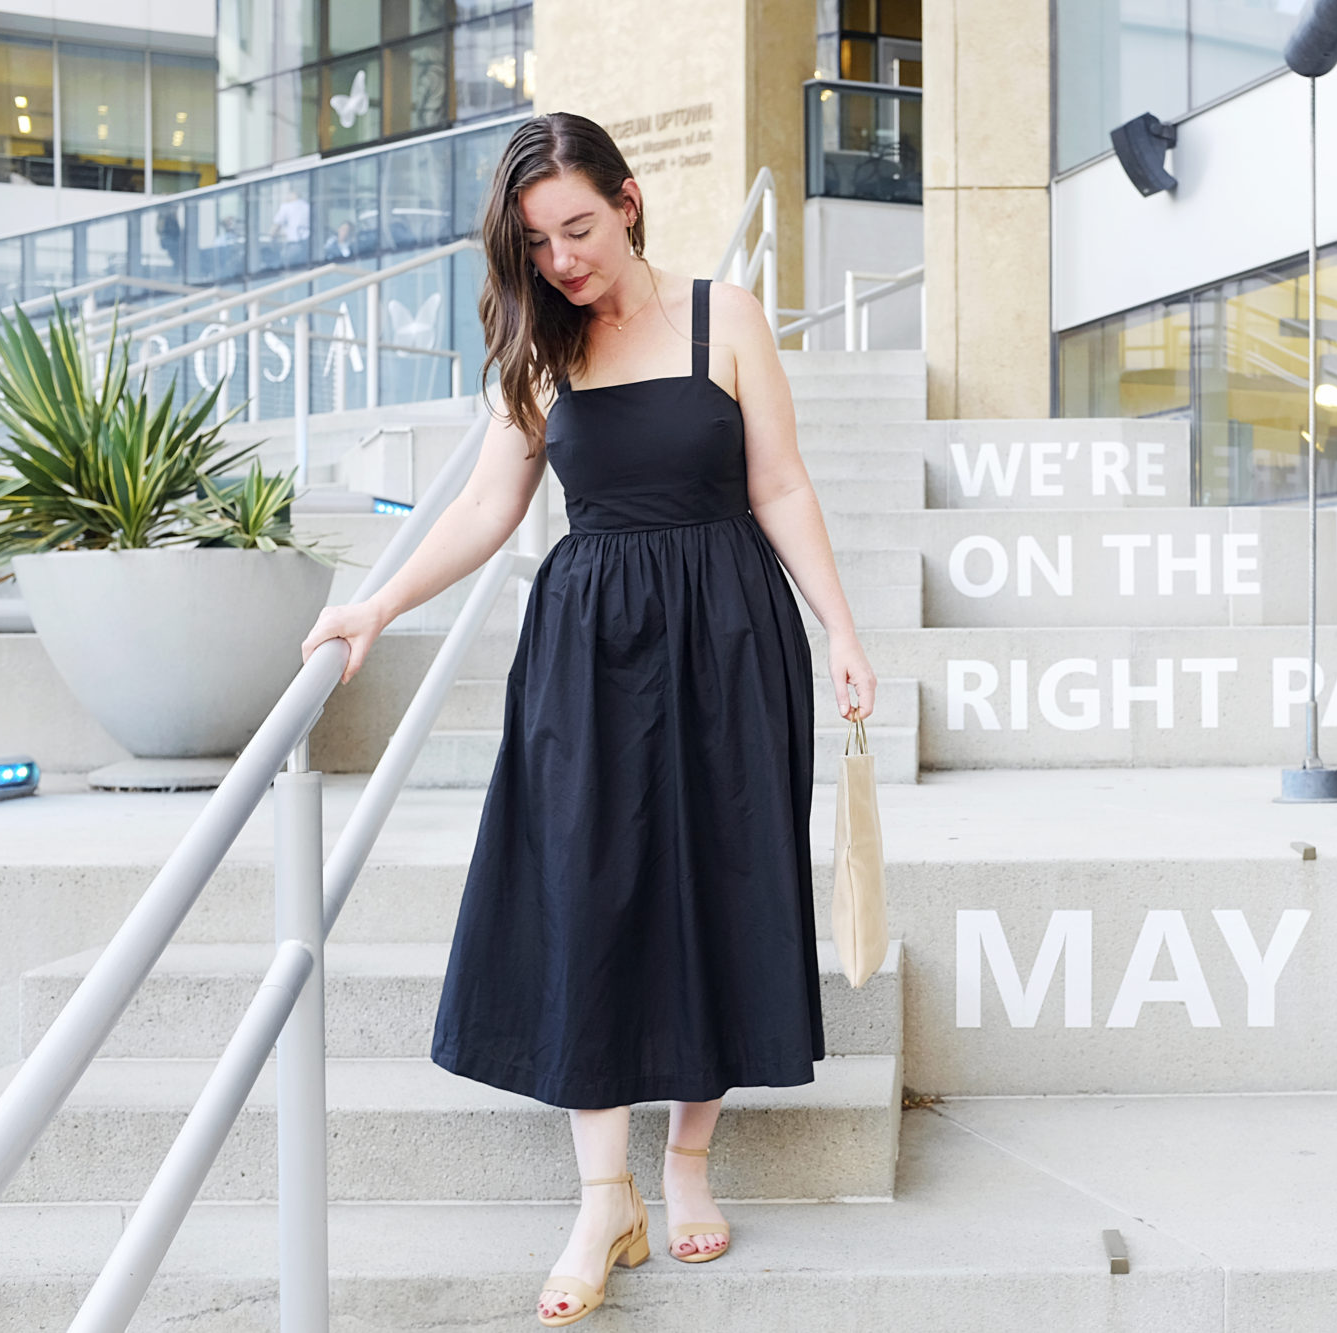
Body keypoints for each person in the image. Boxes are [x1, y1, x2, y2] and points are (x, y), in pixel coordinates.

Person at [298, 110, 878, 1326]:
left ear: (625, 200)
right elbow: (484, 506)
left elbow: (777, 480)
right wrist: (373, 604)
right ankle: (601, 1193)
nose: (562, 260)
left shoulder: (728, 314)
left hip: (729, 630)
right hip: (589, 645)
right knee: (586, 888)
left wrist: (840, 627)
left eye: (576, 227)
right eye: (536, 242)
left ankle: (686, 1163)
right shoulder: (539, 345)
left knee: (725, 878)